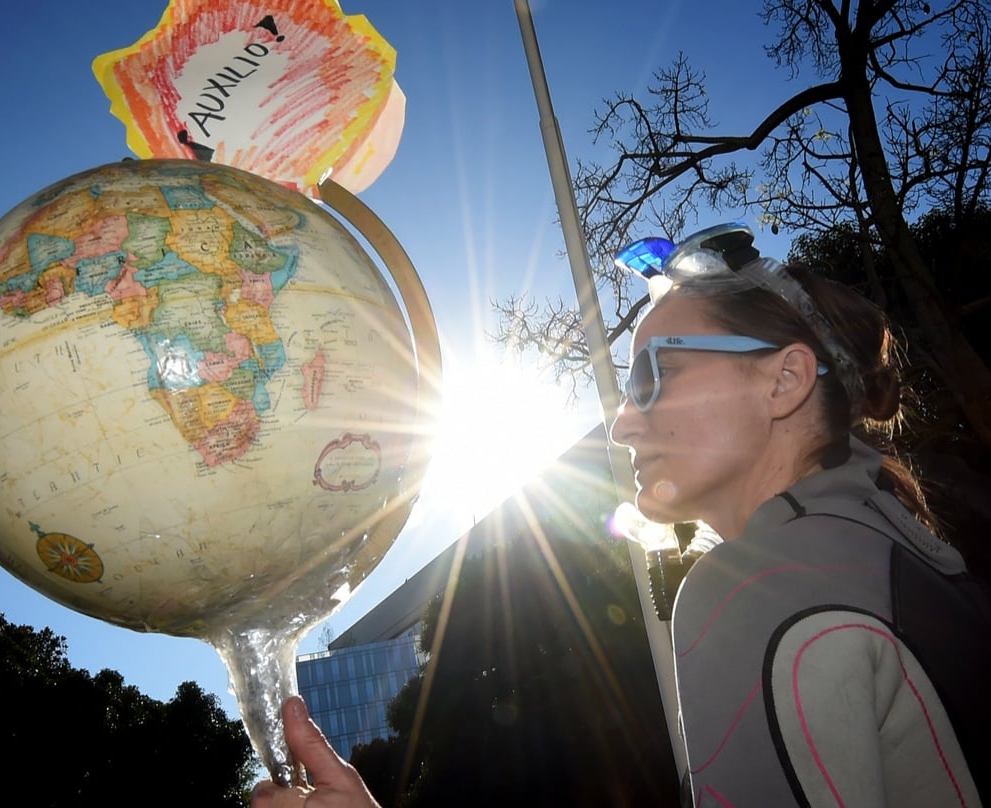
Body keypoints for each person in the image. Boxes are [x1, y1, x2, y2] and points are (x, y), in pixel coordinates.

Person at [252, 222, 989, 806]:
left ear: (786, 379)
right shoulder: (914, 553)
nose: (622, 426)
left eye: (652, 376)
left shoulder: (757, 589)